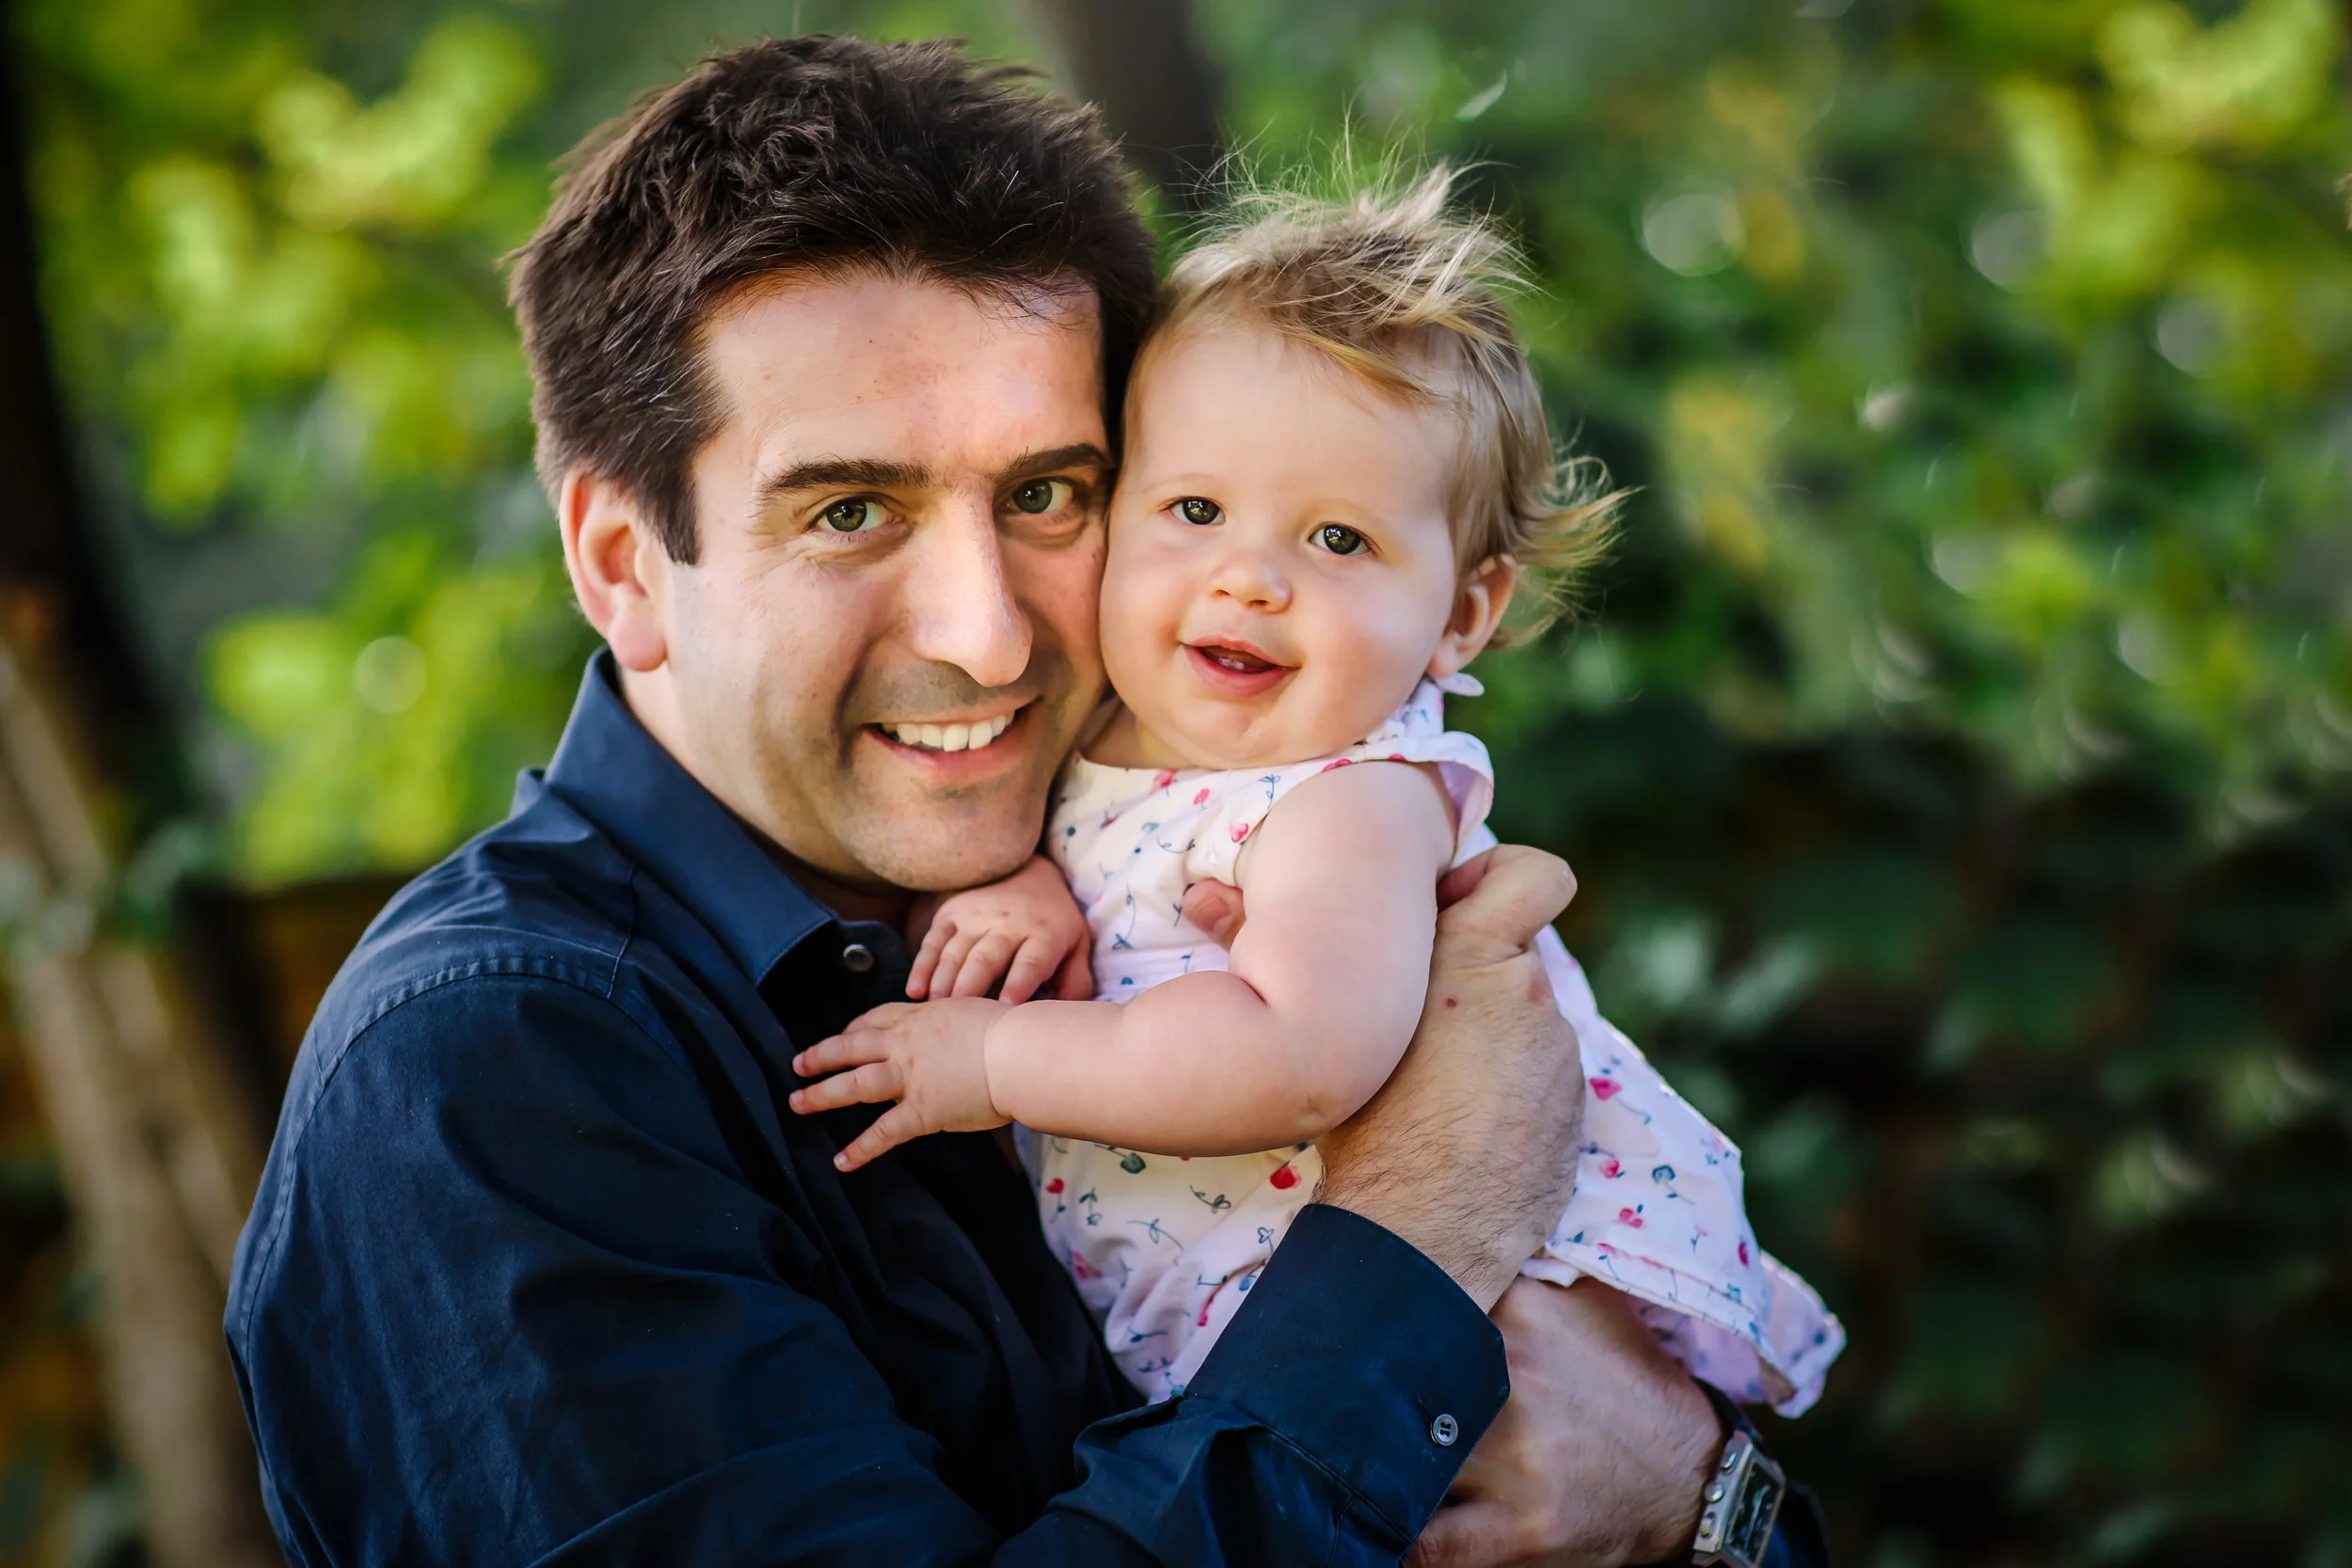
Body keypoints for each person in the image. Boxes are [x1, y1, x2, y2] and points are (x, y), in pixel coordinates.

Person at [223, 35, 1829, 1566]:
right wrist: (1418, 1237)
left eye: (1050, 492)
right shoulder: (489, 1076)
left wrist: (1697, 1492)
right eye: (852, 509)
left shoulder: (1174, 852)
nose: (987, 632)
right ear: (624, 563)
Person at [787, 170, 1845, 1413]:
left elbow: (1297, 1056)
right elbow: (1096, 842)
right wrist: (1029, 878)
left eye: (1337, 540)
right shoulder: (1112, 722)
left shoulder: (1352, 802)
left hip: (1427, 1330)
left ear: (1460, 614)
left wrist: (999, 1055)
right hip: (1239, 1324)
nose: (1248, 579)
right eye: (1194, 509)